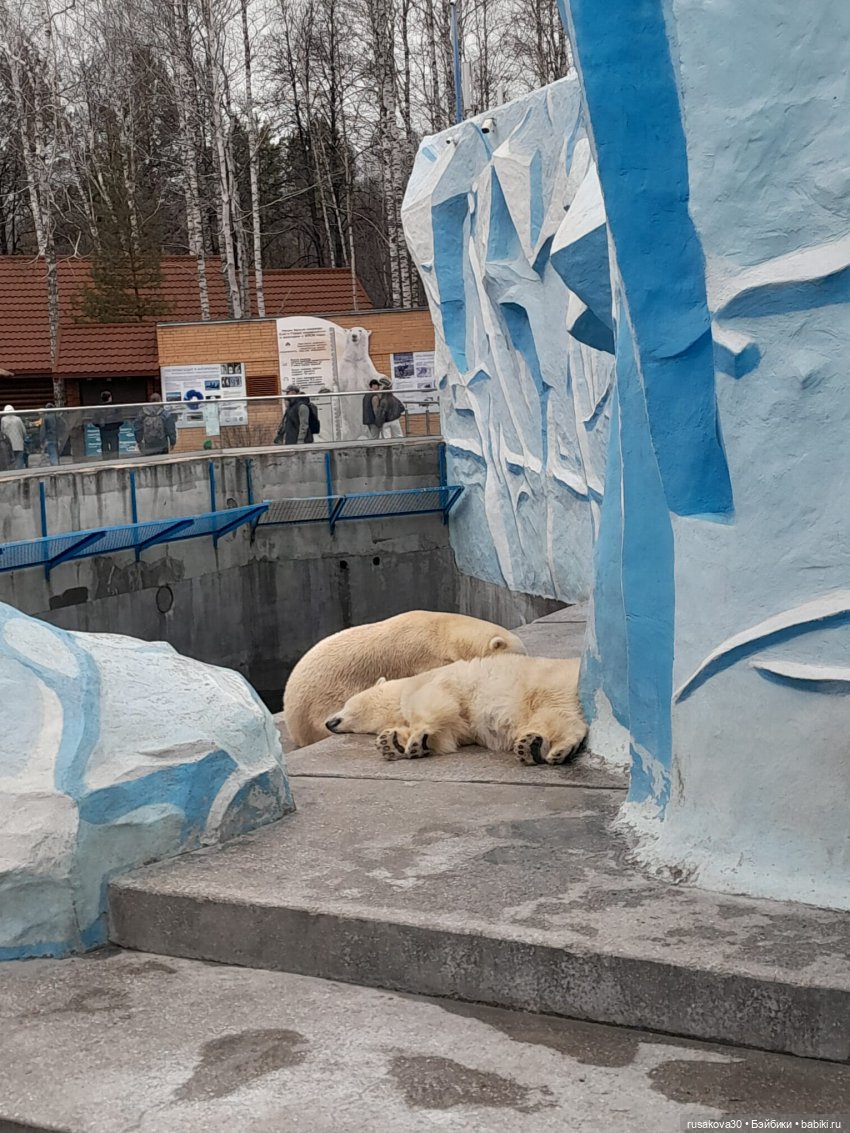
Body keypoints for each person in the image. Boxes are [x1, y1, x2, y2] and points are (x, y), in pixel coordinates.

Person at [94, 390, 123, 458]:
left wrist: (101, 426)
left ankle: (105, 462)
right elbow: (121, 420)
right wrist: (115, 426)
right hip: (113, 431)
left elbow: (95, 421)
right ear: (110, 397)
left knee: (104, 447)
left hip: (103, 431)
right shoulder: (115, 408)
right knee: (114, 448)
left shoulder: (98, 409)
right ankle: (115, 463)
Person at [1, 405, 27, 470]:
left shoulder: (3, 420)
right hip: (19, 444)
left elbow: (2, 432)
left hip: (8, 446)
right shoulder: (18, 419)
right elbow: (24, 431)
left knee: (10, 462)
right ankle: (21, 477)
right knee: (19, 461)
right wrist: (23, 438)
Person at [40, 402, 60, 466]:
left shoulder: (45, 418)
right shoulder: (57, 417)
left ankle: (55, 469)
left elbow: (42, 430)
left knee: (52, 454)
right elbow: (63, 425)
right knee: (56, 453)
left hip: (49, 438)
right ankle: (57, 465)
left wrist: (42, 441)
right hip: (57, 438)